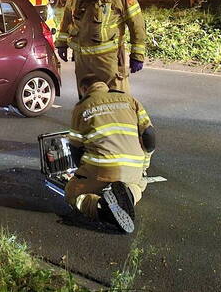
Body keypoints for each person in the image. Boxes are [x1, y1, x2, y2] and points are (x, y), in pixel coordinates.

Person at [63, 78, 156, 233]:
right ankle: (129, 196)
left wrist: (82, 174)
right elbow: (149, 135)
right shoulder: (130, 99)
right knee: (139, 184)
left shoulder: (82, 106)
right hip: (133, 167)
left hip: (102, 169)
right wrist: (144, 164)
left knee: (72, 194)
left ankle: (103, 209)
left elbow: (75, 147)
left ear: (84, 89)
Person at [55, 0, 147, 93]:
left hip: (110, 59)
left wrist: (137, 54)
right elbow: (68, 15)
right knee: (87, 101)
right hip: (82, 60)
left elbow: (137, 23)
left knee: (115, 99)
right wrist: (61, 43)